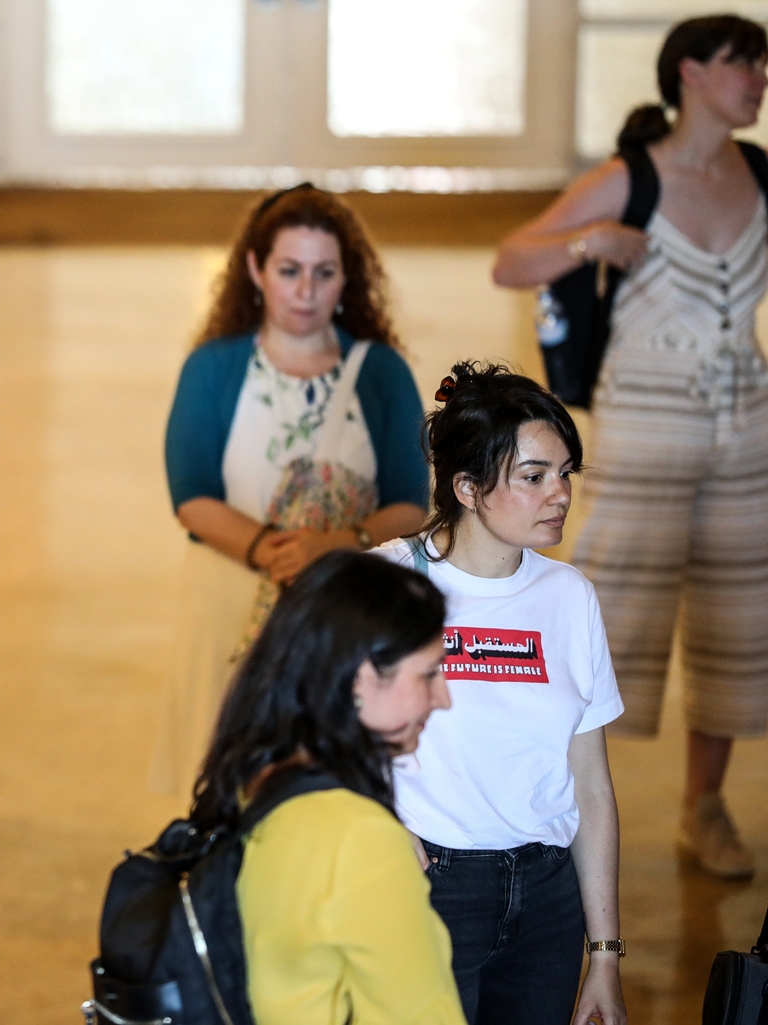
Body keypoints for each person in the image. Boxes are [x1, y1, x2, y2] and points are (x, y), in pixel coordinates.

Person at [493, 15, 768, 880]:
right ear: (689, 72)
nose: (759, 77)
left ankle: (704, 806)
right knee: (601, 621)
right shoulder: (631, 177)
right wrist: (587, 241)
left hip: (748, 429)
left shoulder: (759, 174)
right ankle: (553, 798)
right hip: (646, 428)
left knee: (737, 624)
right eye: (743, 62)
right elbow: (511, 259)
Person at [150, 184, 429, 795]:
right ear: (255, 269)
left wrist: (336, 544)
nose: (306, 292)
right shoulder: (214, 367)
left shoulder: (380, 372)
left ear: (347, 278)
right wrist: (274, 551)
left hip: (339, 611)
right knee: (222, 782)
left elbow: (412, 501)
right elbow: (191, 493)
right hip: (226, 600)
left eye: (324, 273)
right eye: (290, 270)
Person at [376, 364, 626, 1025]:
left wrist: (603, 953)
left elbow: (592, 786)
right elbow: (305, 728)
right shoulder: (388, 581)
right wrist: (377, 819)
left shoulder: (570, 596)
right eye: (534, 476)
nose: (561, 493)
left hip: (548, 899)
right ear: (467, 487)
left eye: (566, 472)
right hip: (431, 888)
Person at [191, 550, 462, 1025]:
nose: (444, 697)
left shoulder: (253, 778)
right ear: (361, 677)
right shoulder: (359, 836)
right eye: (428, 673)